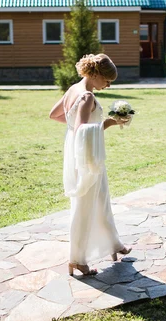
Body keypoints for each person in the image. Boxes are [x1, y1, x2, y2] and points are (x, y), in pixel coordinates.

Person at [49, 54, 131, 276]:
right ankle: (77, 259)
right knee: (84, 206)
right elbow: (81, 130)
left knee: (102, 199)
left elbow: (55, 115)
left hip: (83, 154)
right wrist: (107, 123)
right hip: (86, 158)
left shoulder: (73, 89)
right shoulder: (86, 97)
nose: (109, 84)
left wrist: (71, 123)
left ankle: (114, 244)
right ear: (95, 74)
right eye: (107, 79)